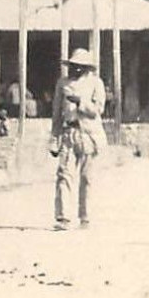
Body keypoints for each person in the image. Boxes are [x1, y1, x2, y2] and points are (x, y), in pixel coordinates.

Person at [50, 48, 106, 230]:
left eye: (79, 67)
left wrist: (80, 102)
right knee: (64, 174)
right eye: (73, 66)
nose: (75, 69)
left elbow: (98, 110)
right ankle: (63, 217)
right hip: (68, 133)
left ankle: (85, 217)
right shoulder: (62, 84)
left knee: (87, 177)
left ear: (87, 68)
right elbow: (57, 113)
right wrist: (54, 138)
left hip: (89, 135)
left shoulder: (96, 83)